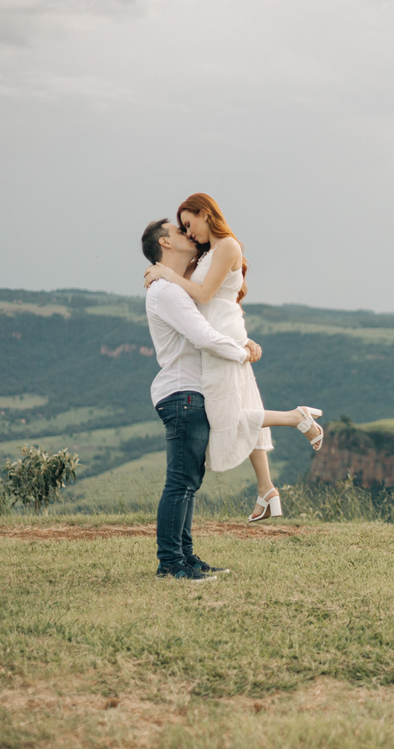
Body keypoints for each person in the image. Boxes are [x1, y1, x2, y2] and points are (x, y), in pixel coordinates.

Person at [143, 193, 322, 523]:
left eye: (189, 223)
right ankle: (267, 489)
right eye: (181, 228)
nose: (188, 231)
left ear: (205, 214)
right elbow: (198, 306)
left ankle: (296, 418)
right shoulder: (206, 254)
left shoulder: (227, 246)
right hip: (221, 337)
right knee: (240, 410)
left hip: (220, 341)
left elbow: (205, 296)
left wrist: (166, 275)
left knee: (227, 419)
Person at [142, 217, 260, 581]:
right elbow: (203, 336)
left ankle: (186, 557)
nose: (188, 233)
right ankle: (170, 563)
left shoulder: (175, 286)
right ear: (165, 243)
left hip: (190, 394)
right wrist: (242, 352)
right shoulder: (167, 291)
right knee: (181, 482)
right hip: (182, 394)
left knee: (189, 481)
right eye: (179, 231)